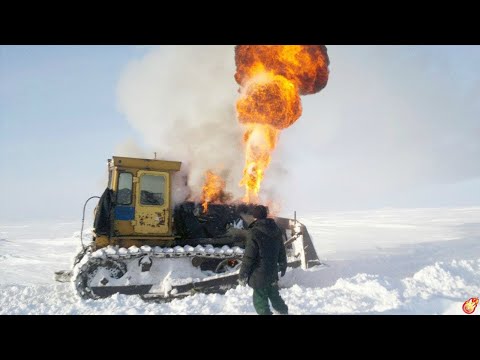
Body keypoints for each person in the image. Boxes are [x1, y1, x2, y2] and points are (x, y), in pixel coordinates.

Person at [238, 205, 289, 315]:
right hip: (272, 272)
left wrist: (243, 274)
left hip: (259, 274)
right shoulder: (276, 229)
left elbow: (249, 257)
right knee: (274, 295)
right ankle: (284, 312)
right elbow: (281, 250)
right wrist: (283, 264)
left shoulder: (254, 232)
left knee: (260, 302)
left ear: (255, 217)